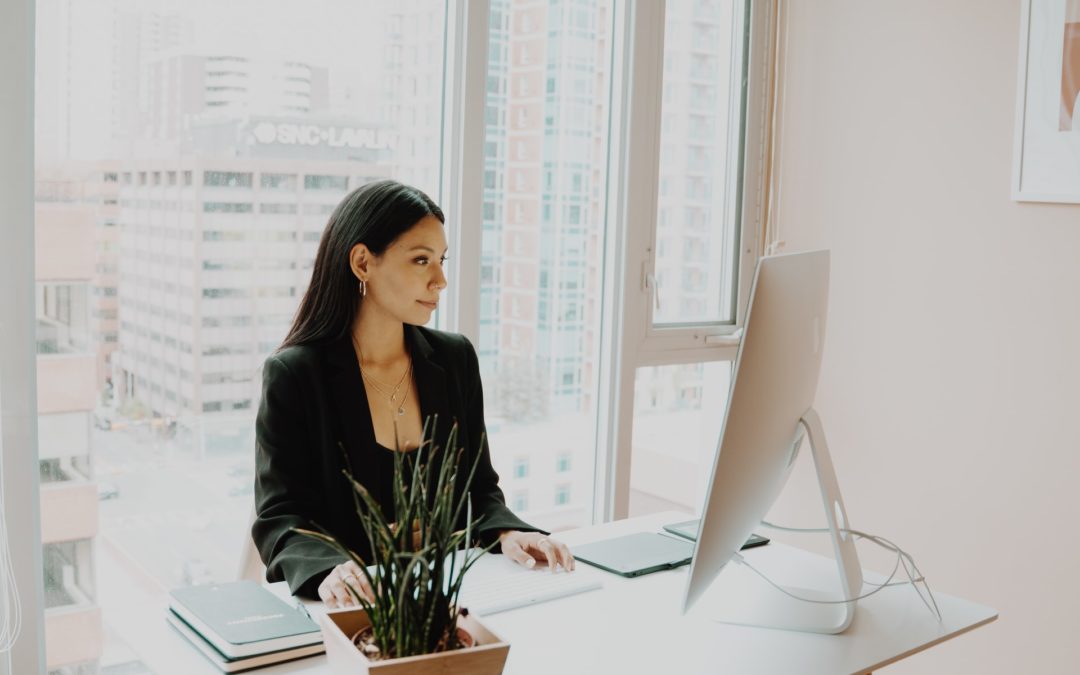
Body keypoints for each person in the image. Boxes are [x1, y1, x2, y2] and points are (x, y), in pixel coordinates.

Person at [252, 179, 575, 608]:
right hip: (357, 606)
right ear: (363, 263)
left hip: (452, 595)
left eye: (441, 260)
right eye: (421, 260)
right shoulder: (296, 375)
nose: (440, 280)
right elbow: (281, 514)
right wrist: (328, 568)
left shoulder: (454, 358)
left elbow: (479, 487)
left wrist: (507, 532)